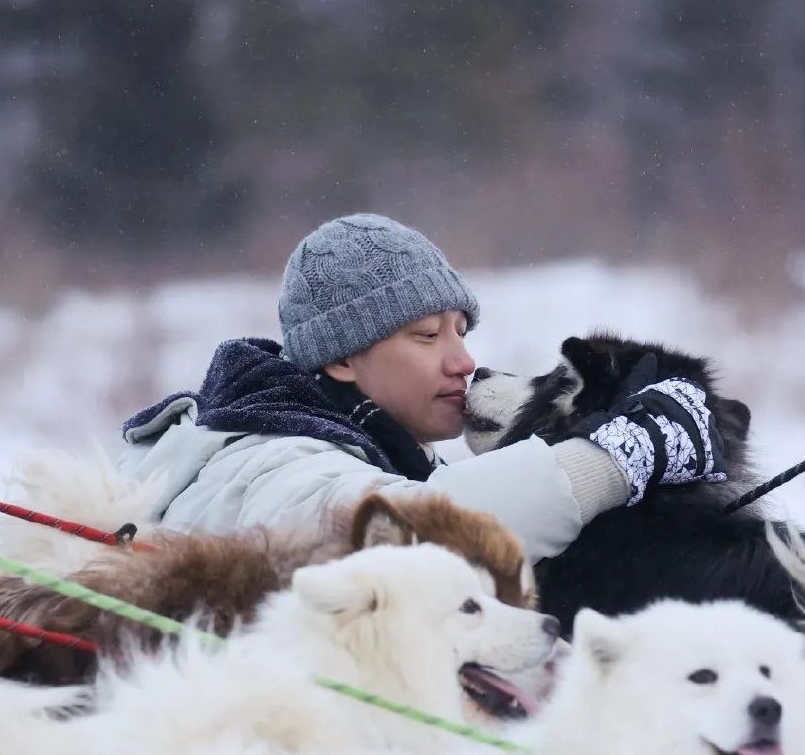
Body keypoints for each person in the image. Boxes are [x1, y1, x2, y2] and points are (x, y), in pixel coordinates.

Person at [116, 214, 725, 563]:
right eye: (427, 335)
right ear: (344, 359)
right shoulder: (267, 461)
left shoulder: (347, 444)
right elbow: (400, 535)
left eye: (462, 331)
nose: (465, 361)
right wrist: (620, 457)